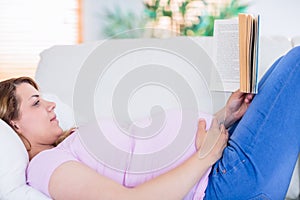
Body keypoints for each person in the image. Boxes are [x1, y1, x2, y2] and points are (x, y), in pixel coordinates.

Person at [1, 45, 299, 200]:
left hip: (220, 159)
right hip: (223, 183)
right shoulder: (44, 166)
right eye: (36, 103)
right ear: (14, 125)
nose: (51, 104)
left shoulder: (65, 146)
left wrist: (225, 115)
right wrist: (204, 158)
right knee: (296, 62)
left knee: (283, 64)